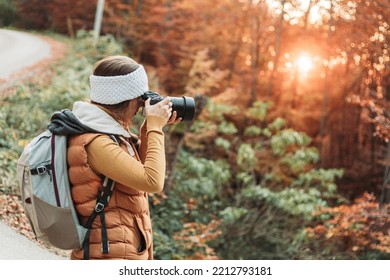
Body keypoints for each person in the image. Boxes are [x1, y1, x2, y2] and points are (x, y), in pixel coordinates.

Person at [65, 55, 180, 260]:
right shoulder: (96, 142)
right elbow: (152, 181)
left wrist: (148, 129)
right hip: (108, 256)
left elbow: (139, 176)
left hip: (119, 249)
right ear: (127, 100)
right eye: (140, 98)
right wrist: (154, 125)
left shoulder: (108, 134)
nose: (141, 106)